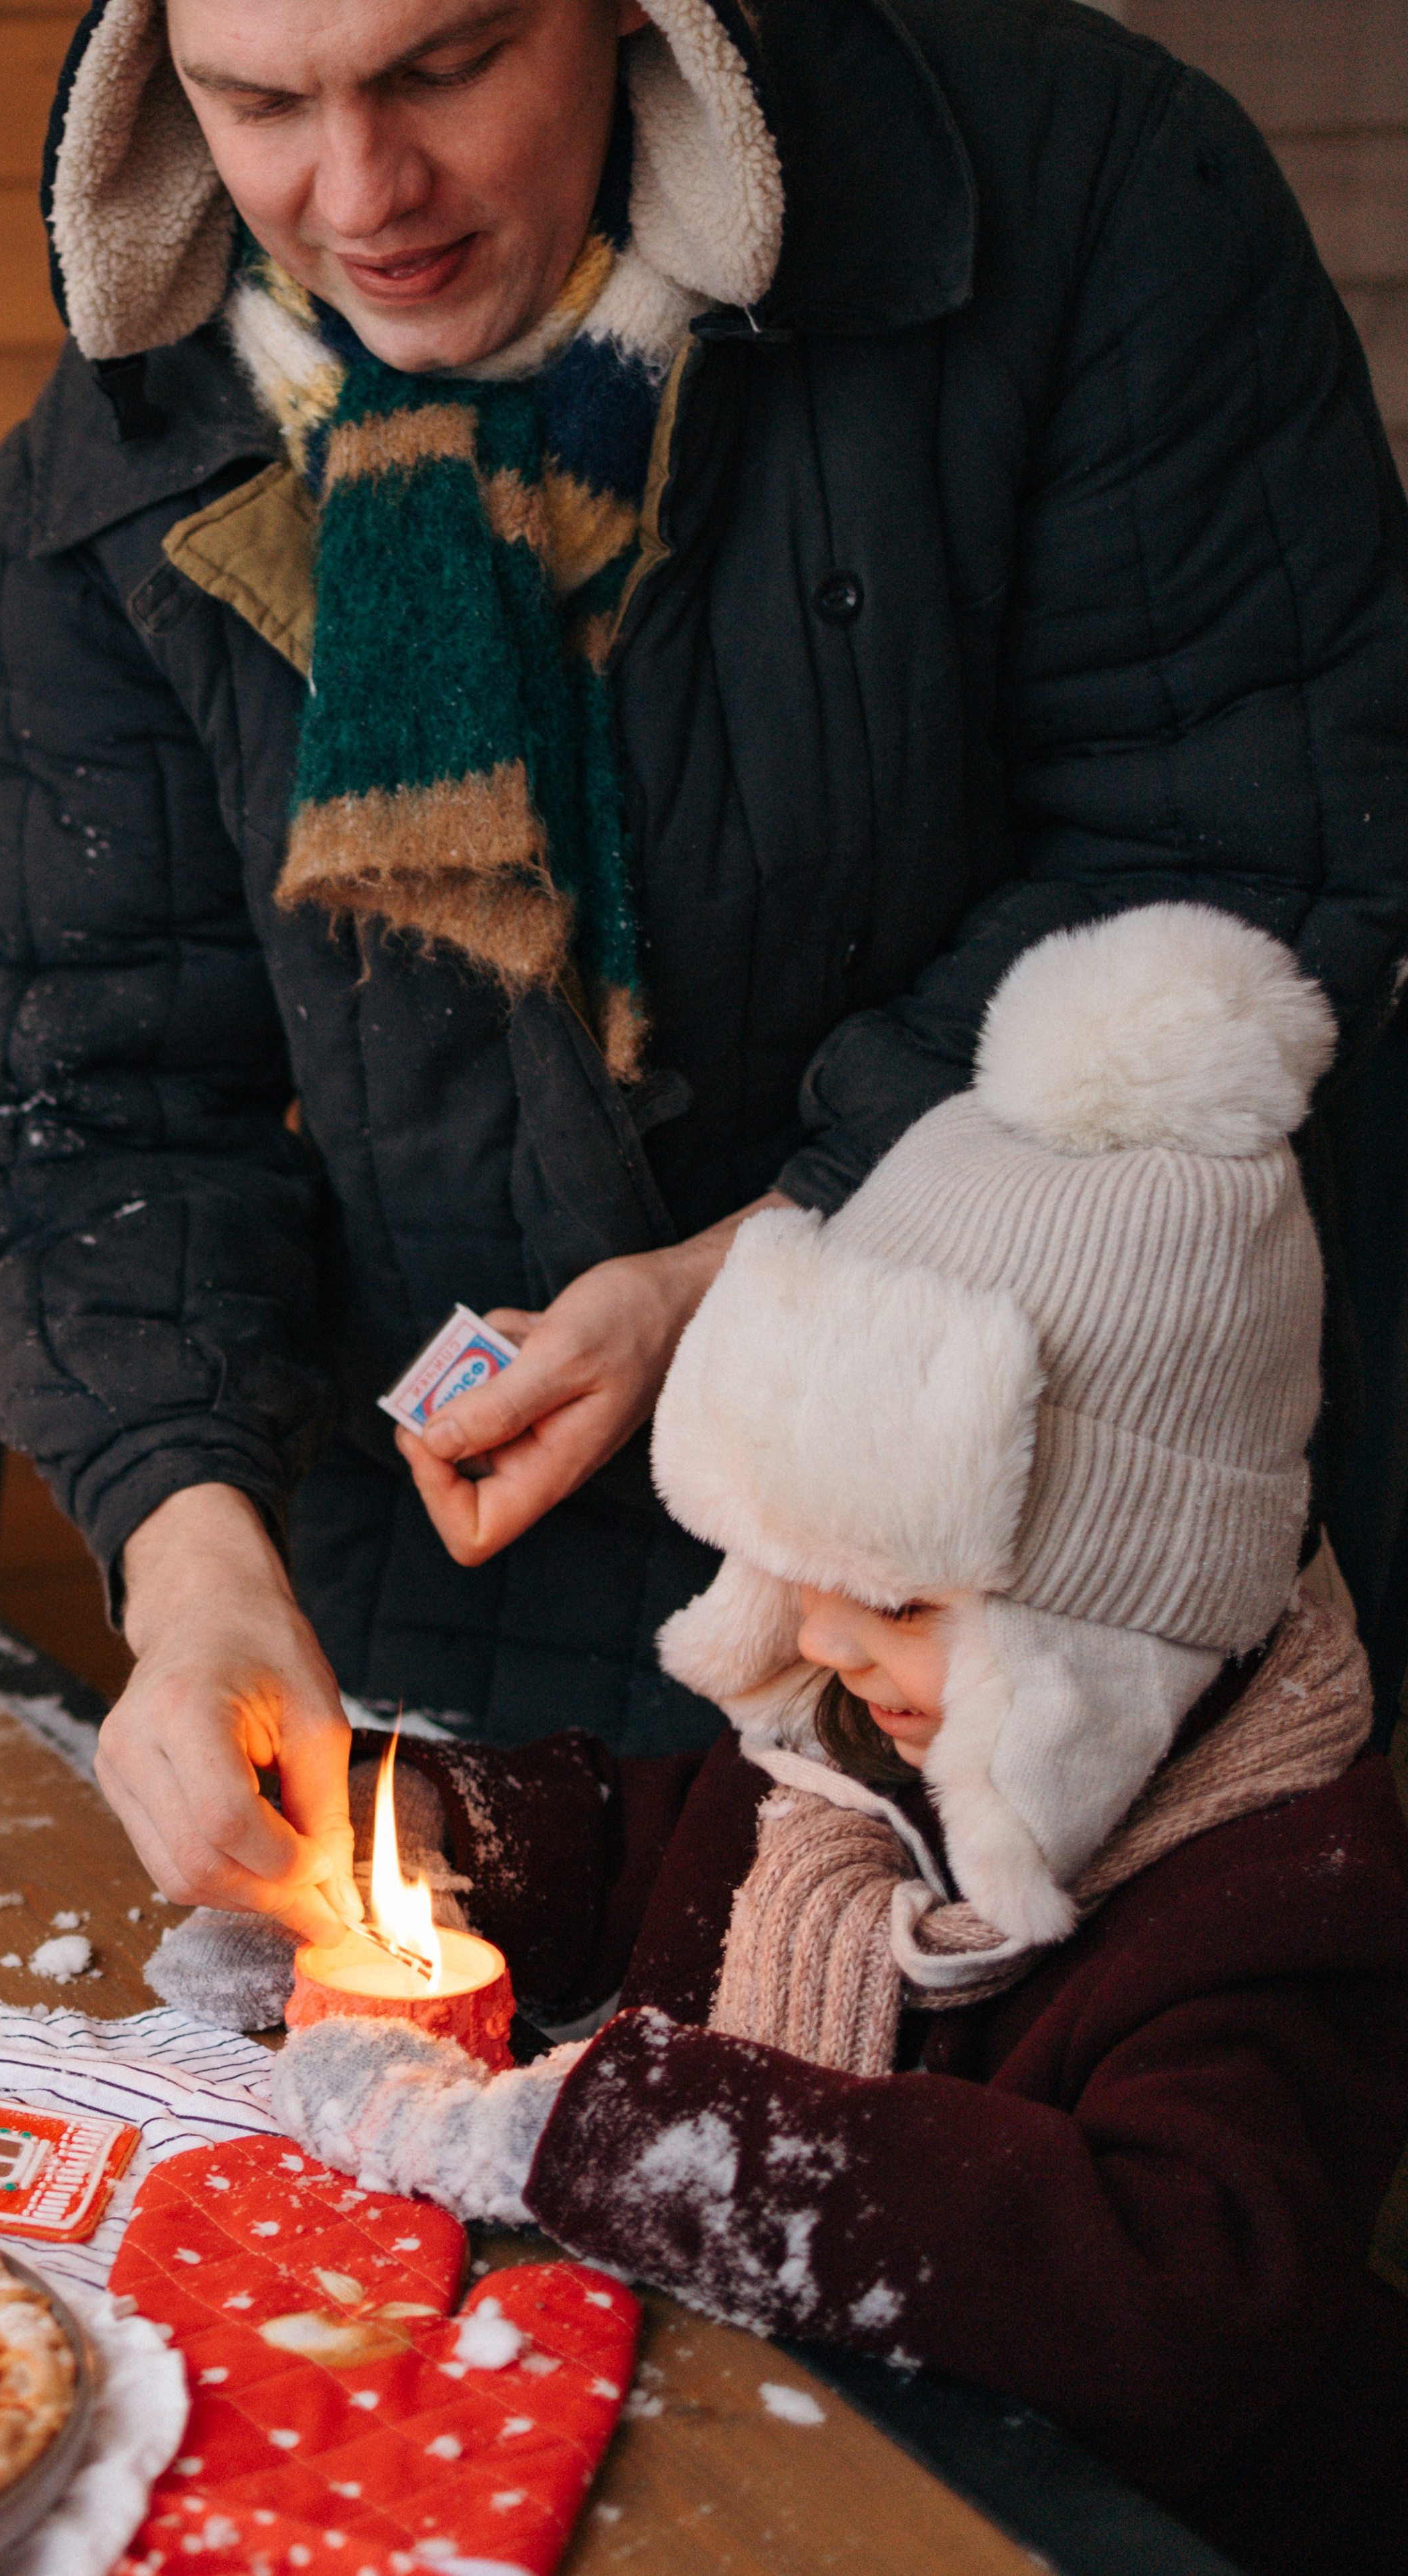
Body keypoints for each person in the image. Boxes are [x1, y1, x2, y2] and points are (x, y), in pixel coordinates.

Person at [0, 0, 1408, 1931]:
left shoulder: (1092, 196)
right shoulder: (123, 450)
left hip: (1047, 1621)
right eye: (259, 103)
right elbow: (92, 1100)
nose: (358, 194)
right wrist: (194, 1565)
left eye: (441, 67)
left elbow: (1254, 858)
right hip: (471, 1629)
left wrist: (754, 1268)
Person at [267, 906, 1408, 2576]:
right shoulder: (860, 1742)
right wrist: (390, 1826)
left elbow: (1170, 2287)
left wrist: (636, 2138)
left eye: (897, 1599)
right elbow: (654, 1846)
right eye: (800, 1574)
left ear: (1113, 1612)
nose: (814, 1641)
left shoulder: (1280, 1902)